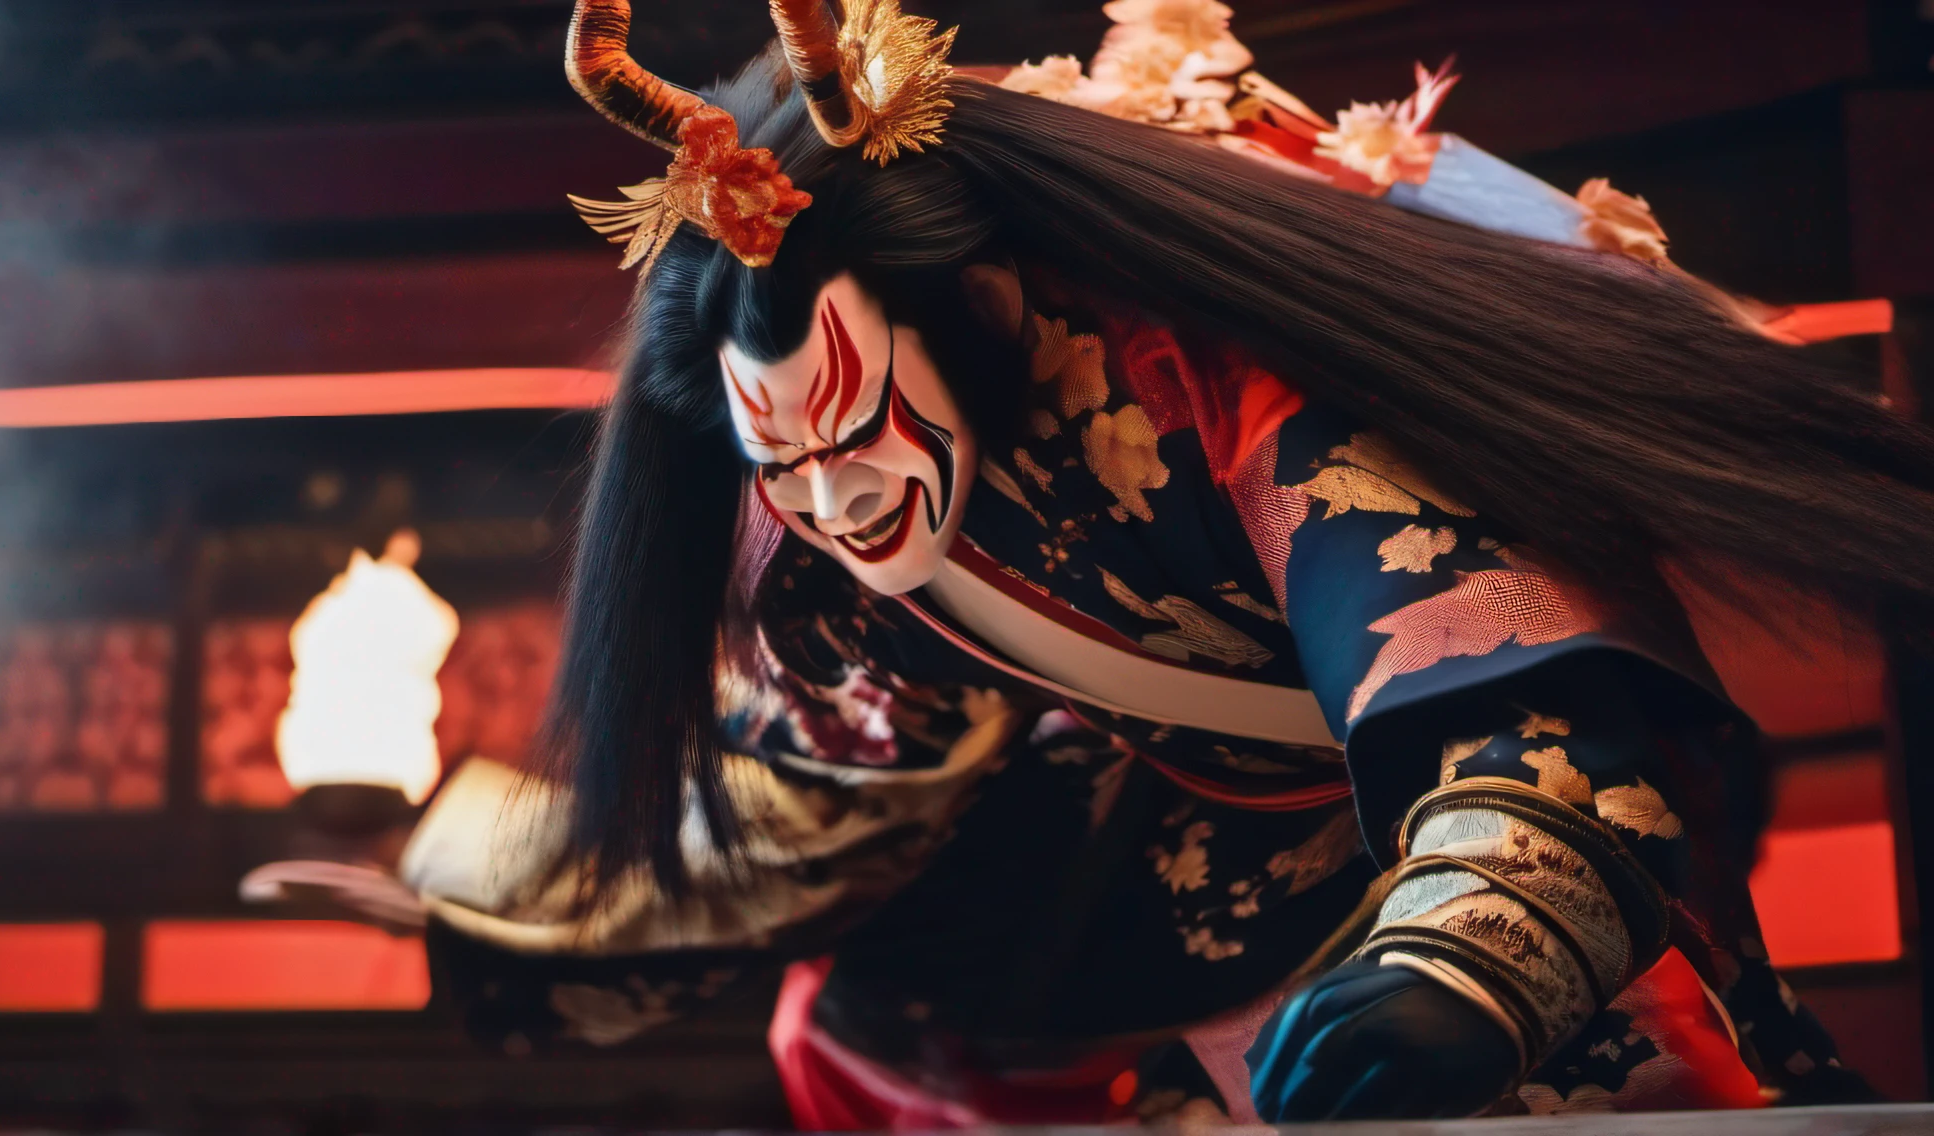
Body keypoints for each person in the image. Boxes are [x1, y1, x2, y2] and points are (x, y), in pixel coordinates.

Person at [303, 0, 1934, 1122]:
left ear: (984, 313)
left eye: (856, 424)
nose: (835, 495)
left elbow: (1485, 648)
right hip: (1176, 849)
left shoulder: (1221, 373)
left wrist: (1461, 959)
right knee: (870, 1017)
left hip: (1439, 828)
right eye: (779, 455)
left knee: (1543, 1087)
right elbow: (809, 785)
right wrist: (477, 886)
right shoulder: (809, 508)